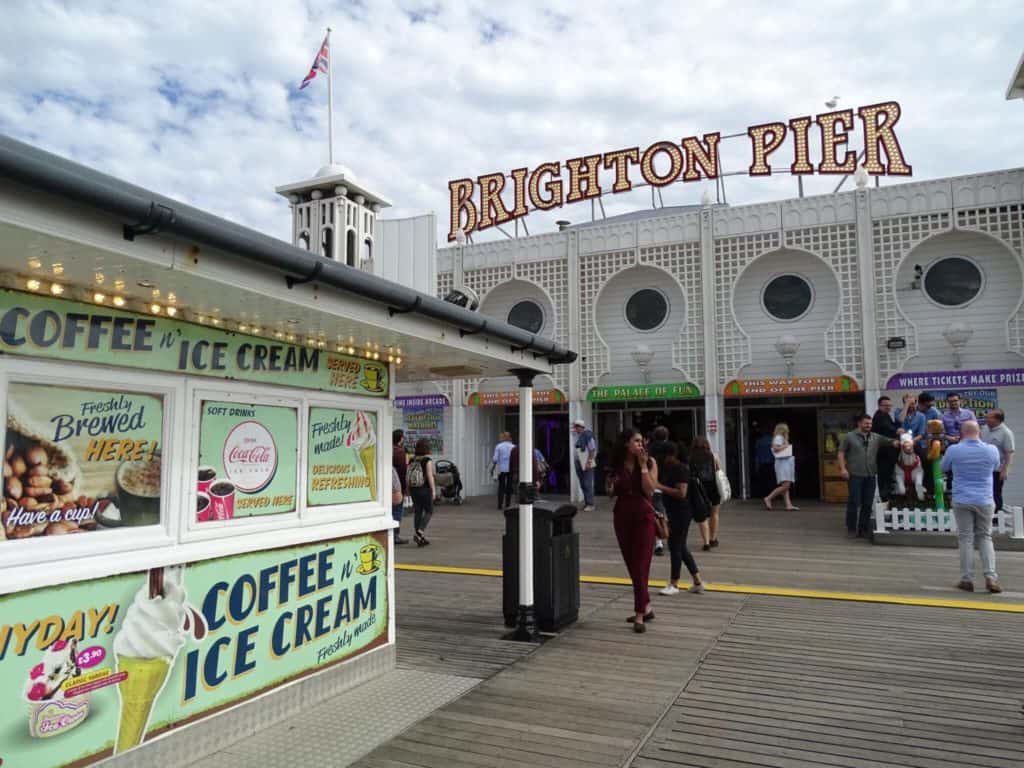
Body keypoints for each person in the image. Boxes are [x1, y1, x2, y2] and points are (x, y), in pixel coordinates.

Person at [606, 428, 658, 632]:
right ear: (626, 444)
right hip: (622, 515)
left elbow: (650, 491)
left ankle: (639, 614)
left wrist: (643, 466)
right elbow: (611, 492)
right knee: (631, 563)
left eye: (641, 441)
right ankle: (647, 607)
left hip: (643, 515)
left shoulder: (650, 462)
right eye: (636, 441)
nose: (640, 444)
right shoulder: (617, 465)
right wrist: (610, 486)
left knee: (641, 564)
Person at [941, 421, 1001, 593]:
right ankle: (990, 577)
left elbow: (943, 467)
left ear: (962, 433)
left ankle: (967, 579)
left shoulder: (954, 450)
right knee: (985, 537)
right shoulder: (991, 450)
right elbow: (996, 467)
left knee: (966, 538)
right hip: (985, 499)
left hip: (962, 499)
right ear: (979, 433)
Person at [657, 442, 704, 595]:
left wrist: (661, 487)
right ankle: (697, 581)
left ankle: (674, 584)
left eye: (665, 456)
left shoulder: (680, 468)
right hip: (674, 511)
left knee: (675, 546)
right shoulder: (672, 468)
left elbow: (681, 492)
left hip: (681, 512)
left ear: (671, 455)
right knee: (681, 546)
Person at [838, 413, 887, 538]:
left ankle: (863, 528)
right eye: (866, 423)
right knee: (854, 502)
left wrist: (901, 442)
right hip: (855, 474)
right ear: (859, 423)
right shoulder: (849, 436)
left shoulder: (876, 437)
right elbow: (841, 453)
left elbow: (889, 441)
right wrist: (843, 469)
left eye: (870, 424)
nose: (868, 426)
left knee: (867, 502)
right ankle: (851, 528)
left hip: (870, 474)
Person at [689, 436, 722, 551]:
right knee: (715, 513)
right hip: (713, 487)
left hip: (698, 489)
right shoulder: (714, 456)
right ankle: (713, 539)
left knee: (702, 516)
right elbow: (719, 472)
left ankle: (706, 542)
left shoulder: (691, 458)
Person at [982, 409, 1015, 511]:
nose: (986, 419)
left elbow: (1009, 453)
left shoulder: (1006, 433)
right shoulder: (985, 429)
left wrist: (1005, 470)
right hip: (983, 468)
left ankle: (997, 519)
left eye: (989, 417)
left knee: (995, 493)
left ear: (998, 419)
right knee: (984, 493)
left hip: (997, 470)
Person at [407, 439, 437, 547]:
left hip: (414, 488)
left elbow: (408, 475)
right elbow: (429, 476)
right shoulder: (427, 460)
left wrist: (408, 489)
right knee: (429, 511)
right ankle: (419, 532)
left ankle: (419, 537)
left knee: (418, 512)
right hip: (424, 489)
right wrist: (433, 490)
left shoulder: (412, 460)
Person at [648, 426, 673, 556]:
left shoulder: (649, 449)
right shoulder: (671, 448)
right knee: (670, 512)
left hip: (654, 484)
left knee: (657, 512)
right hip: (669, 485)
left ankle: (658, 542)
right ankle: (671, 538)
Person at [872, 396, 900, 507]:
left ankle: (889, 501)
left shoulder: (886, 415)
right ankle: (885, 503)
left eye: (889, 405)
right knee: (884, 479)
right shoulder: (879, 416)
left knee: (889, 479)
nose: (888, 407)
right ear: (879, 406)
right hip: (884, 454)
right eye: (885, 405)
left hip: (890, 453)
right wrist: (897, 430)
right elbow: (887, 427)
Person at [763, 423, 798, 511]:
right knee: (786, 485)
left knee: (785, 486)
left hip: (785, 463)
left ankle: (788, 505)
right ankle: (768, 498)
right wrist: (786, 446)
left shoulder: (781, 438)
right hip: (783, 464)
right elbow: (775, 448)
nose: (788, 431)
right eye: (787, 429)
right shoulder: (779, 437)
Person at [573, 420, 597, 512]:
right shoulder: (577, 436)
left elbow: (592, 449)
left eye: (578, 426)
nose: (576, 428)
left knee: (587, 483)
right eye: (576, 426)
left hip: (586, 460)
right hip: (578, 461)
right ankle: (587, 503)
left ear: (582, 427)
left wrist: (589, 461)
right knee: (582, 483)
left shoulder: (587, 435)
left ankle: (591, 504)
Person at [391, 429, 408, 545]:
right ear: (401, 439)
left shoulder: (389, 449)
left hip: (386, 484)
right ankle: (395, 535)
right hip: (396, 485)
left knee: (390, 510)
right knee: (397, 510)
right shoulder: (400, 452)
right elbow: (403, 470)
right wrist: (404, 488)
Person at [491, 432, 516, 510]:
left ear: (503, 438)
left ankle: (500, 504)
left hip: (501, 469)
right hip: (510, 468)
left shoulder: (499, 446)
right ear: (509, 438)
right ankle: (508, 504)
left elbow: (495, 459)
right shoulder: (513, 447)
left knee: (501, 486)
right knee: (509, 486)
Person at [753, 428, 775, 498]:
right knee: (772, 480)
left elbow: (757, 455)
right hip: (772, 463)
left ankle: (764, 495)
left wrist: (756, 466)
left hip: (762, 463)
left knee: (763, 481)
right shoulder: (773, 440)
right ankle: (772, 496)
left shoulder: (759, 441)